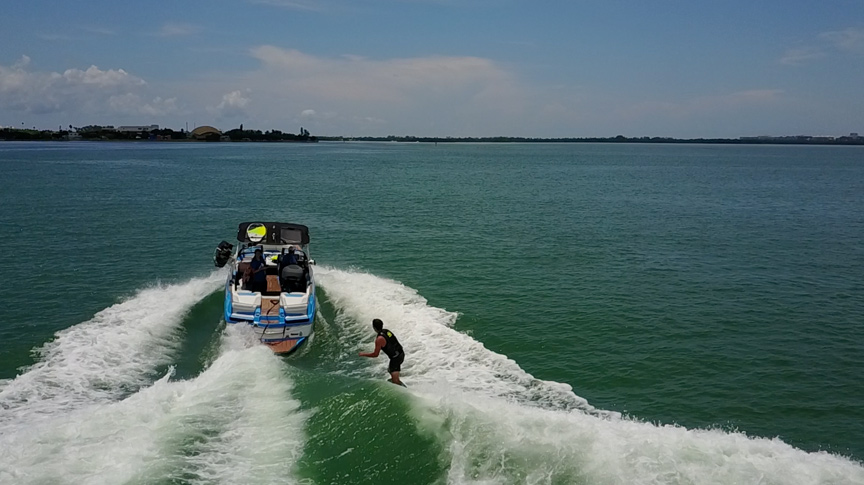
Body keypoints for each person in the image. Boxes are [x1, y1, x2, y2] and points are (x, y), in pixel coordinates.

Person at [359, 318, 405, 386]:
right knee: (390, 370)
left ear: (374, 327)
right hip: (401, 353)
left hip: (395, 359)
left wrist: (363, 354)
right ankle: (395, 376)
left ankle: (402, 387)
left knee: (395, 380)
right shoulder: (387, 331)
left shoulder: (379, 339)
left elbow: (375, 354)